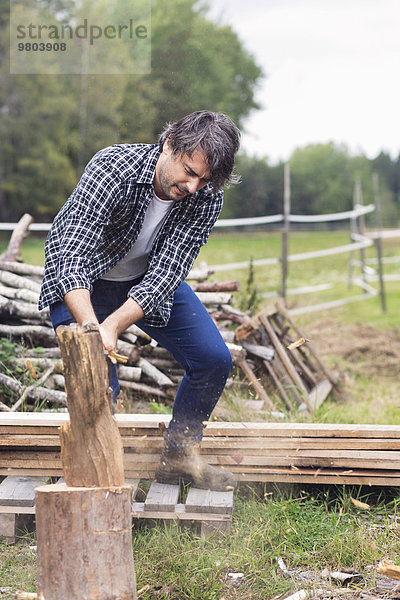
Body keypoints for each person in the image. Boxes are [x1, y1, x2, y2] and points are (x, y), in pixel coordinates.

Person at [39, 110, 241, 491]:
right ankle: (94, 476)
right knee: (97, 382)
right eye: (189, 171)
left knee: (214, 360)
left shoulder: (207, 199)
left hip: (145, 279)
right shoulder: (113, 167)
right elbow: (70, 254)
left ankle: (180, 457)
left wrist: (114, 324)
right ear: (168, 145)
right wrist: (91, 329)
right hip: (85, 282)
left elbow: (168, 271)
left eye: (204, 179)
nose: (194, 186)